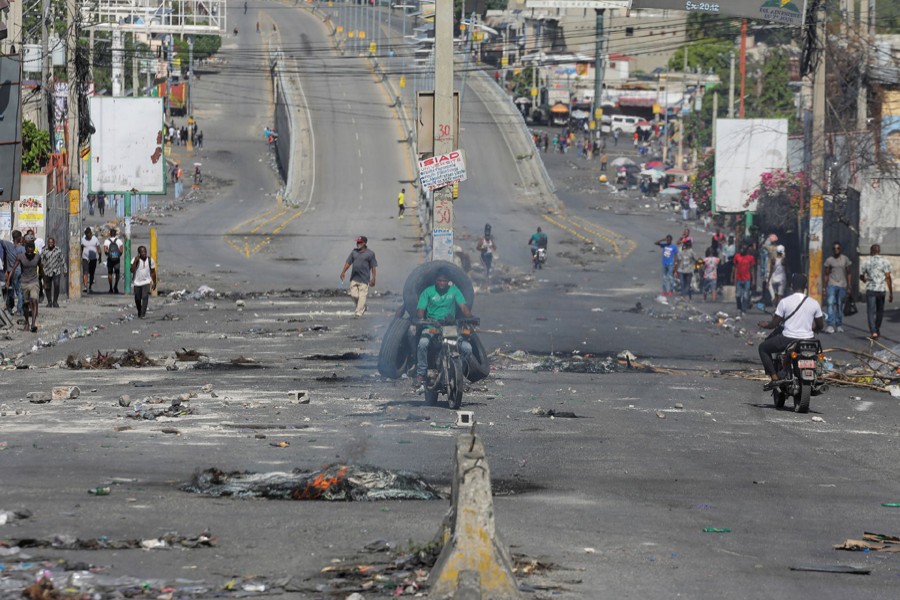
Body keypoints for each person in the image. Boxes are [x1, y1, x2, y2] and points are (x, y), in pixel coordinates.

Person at [757, 273, 825, 390]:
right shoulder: (814, 303)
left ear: (791, 285)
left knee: (763, 348)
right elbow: (820, 325)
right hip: (808, 340)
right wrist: (813, 329)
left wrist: (765, 324)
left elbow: (775, 324)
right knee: (817, 355)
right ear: (805, 286)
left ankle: (774, 378)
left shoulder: (785, 302)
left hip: (788, 340)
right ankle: (818, 374)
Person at [414, 270, 473, 388]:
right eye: (439, 281)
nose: (442, 283)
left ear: (448, 282)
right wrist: (422, 319)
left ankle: (460, 375)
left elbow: (463, 307)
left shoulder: (454, 291)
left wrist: (470, 318)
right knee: (423, 344)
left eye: (444, 281)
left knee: (467, 348)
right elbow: (420, 309)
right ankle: (421, 374)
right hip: (432, 327)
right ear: (435, 281)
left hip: (450, 327)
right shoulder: (428, 292)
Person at [859, 243, 893, 340]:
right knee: (880, 311)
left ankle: (873, 331)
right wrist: (890, 293)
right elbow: (888, 277)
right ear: (879, 251)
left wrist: (864, 280)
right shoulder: (885, 262)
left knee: (870, 311)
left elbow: (861, 275)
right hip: (881, 289)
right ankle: (877, 328)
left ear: (871, 251)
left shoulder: (866, 262)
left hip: (871, 289)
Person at [6, 242, 41, 332]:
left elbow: (41, 269)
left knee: (33, 300)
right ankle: (27, 322)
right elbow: (13, 269)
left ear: (34, 248)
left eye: (32, 248)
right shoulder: (20, 257)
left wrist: (43, 281)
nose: (30, 250)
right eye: (28, 248)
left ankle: (33, 323)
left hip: (34, 282)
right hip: (24, 282)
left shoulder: (37, 257)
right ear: (25, 248)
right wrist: (8, 280)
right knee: (25, 304)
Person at [339, 236, 377, 318]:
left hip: (364, 279)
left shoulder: (370, 254)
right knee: (354, 295)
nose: (358, 244)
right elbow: (348, 263)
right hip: (354, 278)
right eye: (357, 242)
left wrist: (373, 278)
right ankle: (363, 307)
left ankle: (358, 313)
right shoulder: (354, 252)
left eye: (360, 242)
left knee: (362, 296)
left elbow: (373, 267)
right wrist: (343, 272)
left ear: (364, 243)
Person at [823, 242, 852, 334]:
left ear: (840, 249)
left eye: (838, 248)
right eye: (834, 248)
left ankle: (839, 325)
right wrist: (824, 287)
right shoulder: (829, 260)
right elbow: (826, 275)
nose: (836, 250)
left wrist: (849, 286)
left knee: (839, 305)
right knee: (830, 303)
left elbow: (849, 273)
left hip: (842, 285)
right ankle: (830, 325)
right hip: (831, 284)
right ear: (832, 250)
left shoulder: (845, 259)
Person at [130, 246, 157, 319]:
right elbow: (131, 270)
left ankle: (143, 314)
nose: (144, 253)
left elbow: (153, 272)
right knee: (137, 299)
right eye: (142, 252)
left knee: (145, 297)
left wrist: (154, 282)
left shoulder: (150, 260)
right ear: (139, 253)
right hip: (137, 282)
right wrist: (135, 261)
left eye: (145, 251)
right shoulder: (135, 260)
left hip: (146, 282)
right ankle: (139, 310)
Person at [731, 244, 756, 316]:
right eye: (741, 248)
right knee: (738, 295)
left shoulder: (750, 258)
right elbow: (734, 267)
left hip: (747, 279)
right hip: (739, 278)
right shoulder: (737, 256)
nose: (742, 250)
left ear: (746, 250)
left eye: (743, 248)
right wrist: (732, 277)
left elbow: (752, 269)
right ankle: (739, 308)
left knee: (745, 296)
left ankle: (743, 309)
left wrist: (753, 280)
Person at [41, 237, 65, 308]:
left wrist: (65, 269)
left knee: (56, 285)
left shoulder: (58, 250)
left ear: (54, 243)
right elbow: (41, 260)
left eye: (52, 242)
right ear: (47, 243)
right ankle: (49, 301)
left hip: (56, 270)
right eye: (49, 242)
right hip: (47, 271)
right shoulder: (44, 250)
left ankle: (55, 301)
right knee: (47, 287)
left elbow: (62, 259)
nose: (50, 244)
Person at [81, 227, 102, 294]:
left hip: (93, 258)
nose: (88, 236)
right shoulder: (83, 239)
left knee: (92, 273)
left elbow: (98, 248)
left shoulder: (95, 239)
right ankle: (85, 286)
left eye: (89, 234)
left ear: (91, 233)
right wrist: (80, 257)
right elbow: (81, 248)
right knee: (85, 272)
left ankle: (90, 287)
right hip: (85, 258)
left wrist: (100, 257)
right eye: (87, 235)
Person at [767, 245, 788, 309]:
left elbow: (771, 271)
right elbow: (786, 270)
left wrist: (768, 281)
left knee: (775, 295)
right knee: (780, 296)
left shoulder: (773, 260)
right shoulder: (784, 260)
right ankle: (779, 310)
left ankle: (775, 308)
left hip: (774, 279)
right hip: (782, 279)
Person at [104, 228, 124, 294]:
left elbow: (105, 250)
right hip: (117, 259)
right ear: (115, 234)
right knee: (117, 273)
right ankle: (115, 286)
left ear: (110, 234)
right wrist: (117, 255)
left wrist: (109, 255)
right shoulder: (119, 241)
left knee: (110, 273)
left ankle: (110, 288)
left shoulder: (106, 241)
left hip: (110, 259)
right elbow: (121, 250)